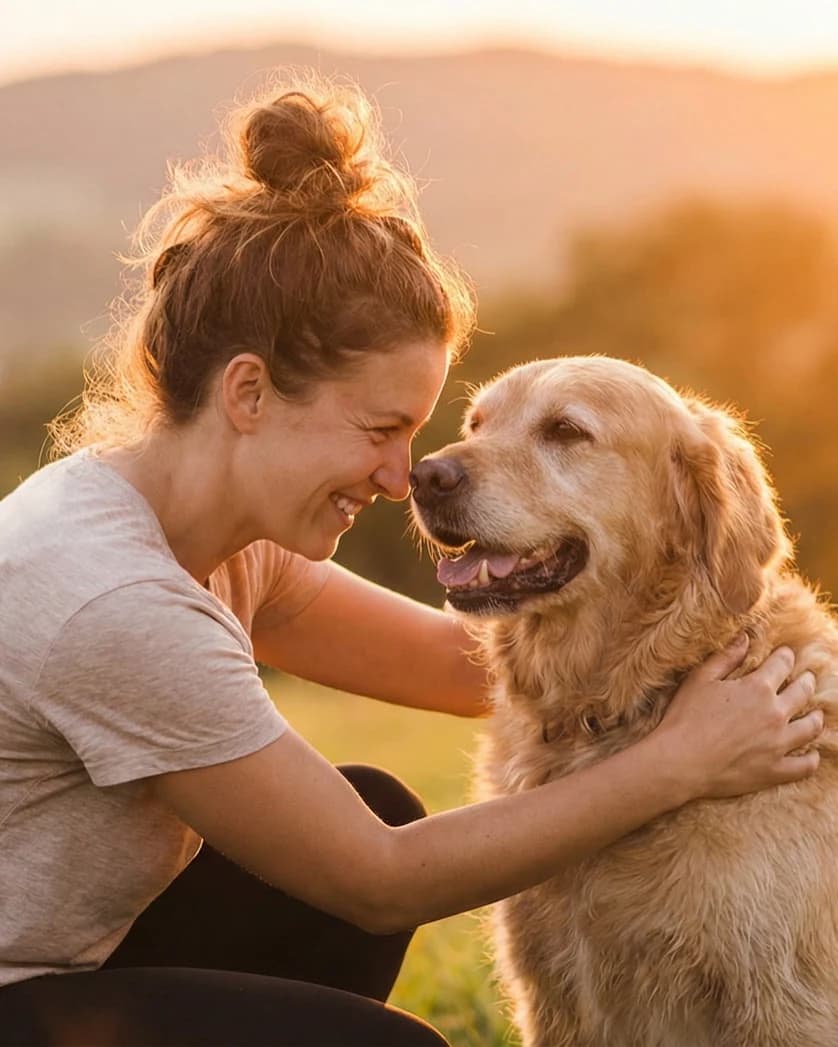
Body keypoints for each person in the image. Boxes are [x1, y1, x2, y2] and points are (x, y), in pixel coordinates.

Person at [0, 72, 822, 1047]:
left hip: (79, 967)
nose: (406, 477)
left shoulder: (207, 538)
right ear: (248, 395)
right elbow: (377, 882)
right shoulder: (108, 596)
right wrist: (684, 760)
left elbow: (452, 665)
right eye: (380, 429)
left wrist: (741, 670)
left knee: (370, 801)